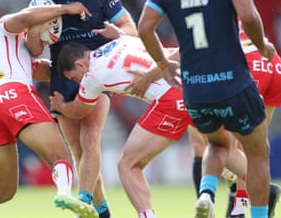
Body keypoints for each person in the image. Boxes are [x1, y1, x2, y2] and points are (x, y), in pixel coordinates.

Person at [137, 0, 276, 217]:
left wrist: (163, 64)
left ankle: (206, 193)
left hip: (197, 91)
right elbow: (247, 14)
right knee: (258, 152)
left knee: (217, 143)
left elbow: (144, 27)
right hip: (234, 84)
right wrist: (262, 46)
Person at [0, 2, 99, 218]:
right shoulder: (6, 27)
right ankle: (64, 194)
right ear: (35, 25)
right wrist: (64, 9)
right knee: (61, 158)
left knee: (3, 191)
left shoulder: (16, 54)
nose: (44, 42)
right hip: (14, 95)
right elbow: (23, 18)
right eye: (44, 35)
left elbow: (53, 70)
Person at [31, 0, 138, 217]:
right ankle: (102, 212)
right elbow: (32, 47)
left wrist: (120, 33)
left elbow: (131, 28)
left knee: (91, 138)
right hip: (62, 78)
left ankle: (82, 203)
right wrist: (38, 26)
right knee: (79, 153)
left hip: (96, 73)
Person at [49, 34, 192, 218]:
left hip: (170, 100)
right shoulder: (121, 41)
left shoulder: (93, 76)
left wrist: (60, 106)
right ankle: (238, 198)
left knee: (128, 164)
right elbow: (144, 37)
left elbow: (78, 111)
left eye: (75, 78)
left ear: (80, 64)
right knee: (222, 149)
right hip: (190, 84)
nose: (77, 83)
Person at [187, 21, 281, 218]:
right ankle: (241, 207)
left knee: (218, 144)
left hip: (242, 64)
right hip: (274, 64)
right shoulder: (235, 4)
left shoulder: (207, 12)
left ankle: (213, 195)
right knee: (255, 144)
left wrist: (159, 65)